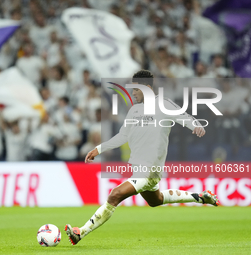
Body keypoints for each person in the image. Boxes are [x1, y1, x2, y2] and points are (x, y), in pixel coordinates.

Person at [65, 70, 219, 245]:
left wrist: (196, 126)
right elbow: (123, 136)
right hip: (138, 167)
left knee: (114, 195)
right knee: (156, 200)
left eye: (136, 90)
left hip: (150, 167)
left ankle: (81, 232)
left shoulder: (164, 105)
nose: (133, 94)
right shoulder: (134, 110)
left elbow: (184, 117)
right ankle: (200, 197)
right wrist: (98, 149)